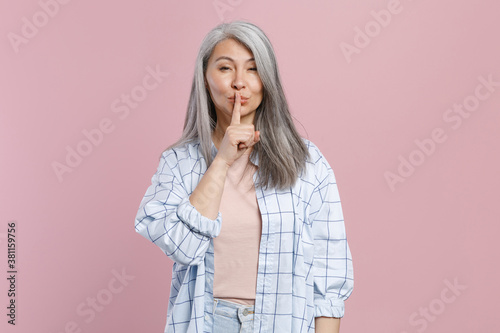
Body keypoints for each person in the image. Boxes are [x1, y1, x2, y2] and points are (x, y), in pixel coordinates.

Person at [134, 21, 354, 333]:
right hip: (208, 322)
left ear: (267, 79)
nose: (240, 82)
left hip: (284, 322)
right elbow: (182, 247)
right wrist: (221, 161)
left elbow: (329, 273)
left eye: (252, 69)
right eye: (225, 68)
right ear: (205, 78)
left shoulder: (307, 162)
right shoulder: (179, 163)